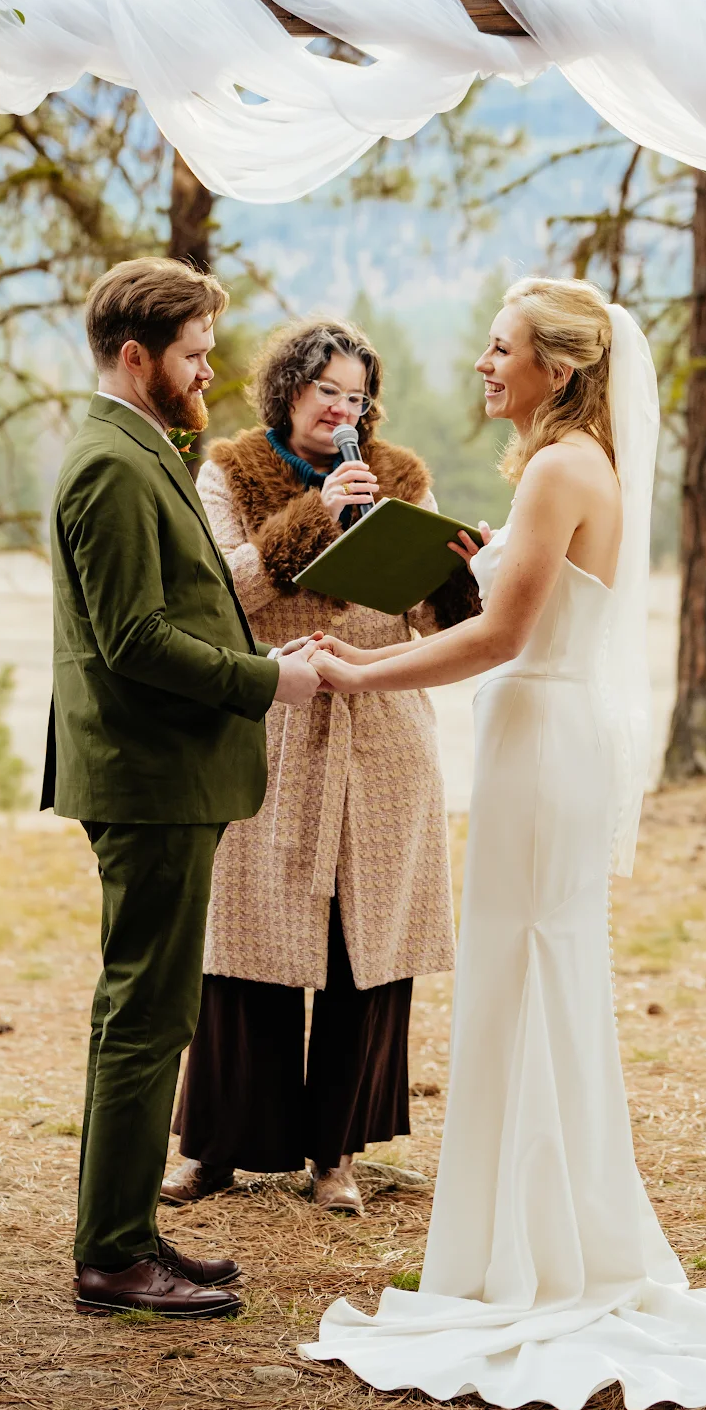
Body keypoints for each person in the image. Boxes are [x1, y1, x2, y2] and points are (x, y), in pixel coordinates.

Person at [300, 276, 706, 1410]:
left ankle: (532, 1255)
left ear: (561, 367)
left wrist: (360, 670)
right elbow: (538, 601)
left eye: (501, 348)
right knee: (531, 974)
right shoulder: (573, 466)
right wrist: (484, 554)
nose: (483, 365)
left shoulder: (559, 468)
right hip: (546, 736)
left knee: (529, 973)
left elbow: (502, 636)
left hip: (539, 741)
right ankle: (533, 1238)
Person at [43, 257, 321, 1320]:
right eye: (195, 354)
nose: (209, 371)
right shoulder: (111, 466)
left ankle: (124, 1228)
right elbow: (133, 638)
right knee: (145, 1015)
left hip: (166, 774)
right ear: (135, 356)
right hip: (149, 776)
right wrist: (266, 681)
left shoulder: (136, 448)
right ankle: (113, 1256)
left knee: (149, 1011)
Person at [161, 317, 478, 1216]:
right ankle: (218, 1148)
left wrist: (459, 571)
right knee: (245, 943)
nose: (344, 410)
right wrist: (315, 519)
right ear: (287, 391)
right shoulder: (229, 473)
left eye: (357, 396)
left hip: (382, 736)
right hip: (274, 726)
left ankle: (335, 1152)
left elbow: (433, 625)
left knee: (362, 948)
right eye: (327, 390)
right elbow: (217, 594)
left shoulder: (400, 477)